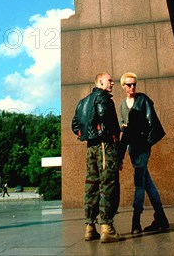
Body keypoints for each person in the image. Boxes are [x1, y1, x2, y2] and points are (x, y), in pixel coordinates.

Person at [71, 72, 122, 243]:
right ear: (100, 82)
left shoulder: (82, 102)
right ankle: (107, 227)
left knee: (91, 185)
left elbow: (75, 125)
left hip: (91, 147)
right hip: (105, 145)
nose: (112, 83)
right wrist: (111, 133)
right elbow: (104, 116)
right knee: (108, 183)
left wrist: (86, 133)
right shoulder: (103, 98)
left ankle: (90, 227)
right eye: (109, 80)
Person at [119, 72, 169, 234]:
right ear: (123, 86)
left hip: (143, 147)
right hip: (131, 148)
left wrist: (146, 143)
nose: (132, 87)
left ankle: (136, 221)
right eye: (129, 84)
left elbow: (152, 122)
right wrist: (121, 155)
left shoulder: (144, 100)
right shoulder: (121, 105)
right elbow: (123, 130)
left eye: (134, 84)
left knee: (139, 183)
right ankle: (161, 218)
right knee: (147, 182)